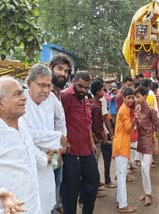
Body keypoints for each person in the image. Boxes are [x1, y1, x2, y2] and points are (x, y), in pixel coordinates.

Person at [20, 64, 68, 214]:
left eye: (48, 85)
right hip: (31, 158)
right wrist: (58, 137)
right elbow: (27, 135)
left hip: (53, 155)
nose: (46, 90)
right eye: (41, 85)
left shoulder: (52, 99)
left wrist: (59, 149)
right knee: (33, 200)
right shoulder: (21, 101)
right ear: (29, 84)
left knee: (51, 193)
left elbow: (61, 120)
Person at [0, 77, 47, 214]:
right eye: (17, 94)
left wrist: (45, 158)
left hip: (33, 205)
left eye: (22, 92)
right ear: (1, 104)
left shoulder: (22, 125)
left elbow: (29, 149)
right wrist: (2, 193)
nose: (24, 98)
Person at [60, 71, 100, 214]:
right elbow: (57, 122)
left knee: (93, 182)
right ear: (74, 81)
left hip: (86, 150)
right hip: (70, 153)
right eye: (80, 86)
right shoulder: (64, 96)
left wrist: (92, 143)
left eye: (86, 87)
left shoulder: (85, 100)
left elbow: (87, 124)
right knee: (70, 191)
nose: (83, 90)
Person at [49, 54, 72, 214]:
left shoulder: (60, 95)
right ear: (50, 68)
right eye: (59, 69)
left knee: (56, 185)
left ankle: (56, 206)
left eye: (66, 71)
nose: (63, 73)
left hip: (57, 153)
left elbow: (60, 124)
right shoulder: (41, 93)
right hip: (42, 153)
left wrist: (62, 147)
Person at [112, 87, 137, 213]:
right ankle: (123, 206)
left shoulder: (125, 109)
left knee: (121, 175)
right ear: (123, 98)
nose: (132, 100)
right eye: (129, 98)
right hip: (121, 146)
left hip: (121, 145)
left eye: (133, 97)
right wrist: (135, 120)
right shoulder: (124, 110)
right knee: (122, 176)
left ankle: (119, 201)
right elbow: (128, 129)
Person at [134, 87, 159, 206]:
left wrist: (156, 144)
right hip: (140, 141)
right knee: (142, 169)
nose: (136, 99)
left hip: (149, 141)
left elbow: (157, 127)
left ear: (145, 96)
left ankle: (148, 194)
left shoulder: (151, 110)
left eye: (138, 96)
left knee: (145, 168)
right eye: (136, 97)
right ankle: (146, 192)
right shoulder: (137, 108)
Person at [90, 80, 116, 190]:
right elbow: (99, 122)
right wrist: (105, 136)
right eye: (102, 89)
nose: (104, 91)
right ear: (97, 91)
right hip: (99, 135)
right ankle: (98, 182)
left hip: (101, 134)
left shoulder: (97, 101)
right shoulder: (96, 104)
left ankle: (103, 180)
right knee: (96, 159)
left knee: (104, 157)